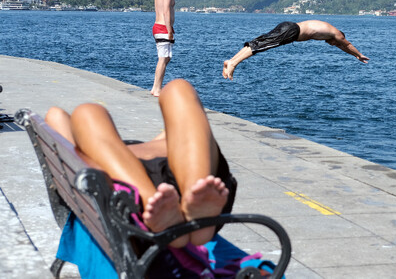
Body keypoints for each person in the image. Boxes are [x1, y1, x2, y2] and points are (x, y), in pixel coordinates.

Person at [45, 79, 235, 248]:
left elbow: (55, 116)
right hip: (179, 176)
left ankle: (163, 209)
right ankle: (194, 202)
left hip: (130, 188)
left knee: (86, 112)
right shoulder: (168, 141)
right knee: (178, 88)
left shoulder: (100, 148)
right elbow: (188, 124)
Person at [222, 19, 369, 80]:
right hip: (292, 31)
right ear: (339, 36)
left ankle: (231, 61)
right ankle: (234, 63)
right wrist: (359, 55)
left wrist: (353, 56)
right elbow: (346, 45)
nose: (333, 45)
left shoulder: (328, 31)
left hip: (289, 28)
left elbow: (342, 47)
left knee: (259, 43)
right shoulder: (336, 34)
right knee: (260, 46)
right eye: (335, 43)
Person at [151, 0, 182, 97]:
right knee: (163, 59)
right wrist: (169, 31)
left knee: (166, 58)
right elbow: (166, 12)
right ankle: (157, 88)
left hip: (159, 26)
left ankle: (156, 87)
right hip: (163, 28)